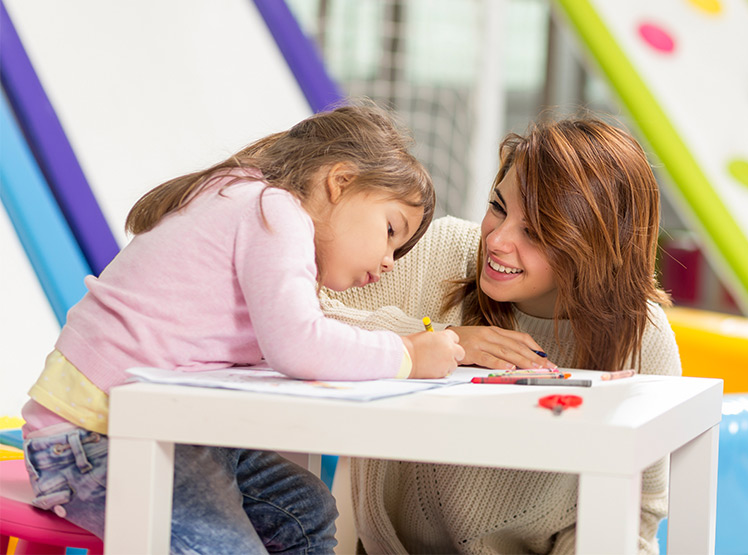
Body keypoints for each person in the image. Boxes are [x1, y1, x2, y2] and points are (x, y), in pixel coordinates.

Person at [20, 103, 465, 554]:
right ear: (341, 181)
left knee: (304, 508)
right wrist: (407, 355)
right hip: (93, 438)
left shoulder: (247, 198)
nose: (390, 261)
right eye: (391, 230)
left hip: (165, 435)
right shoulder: (273, 209)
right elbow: (299, 344)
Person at [321, 115, 681, 554]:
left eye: (535, 232)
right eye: (498, 206)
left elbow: (636, 510)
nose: (497, 240)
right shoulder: (441, 249)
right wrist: (431, 342)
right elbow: (293, 311)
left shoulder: (643, 335)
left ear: (593, 246)